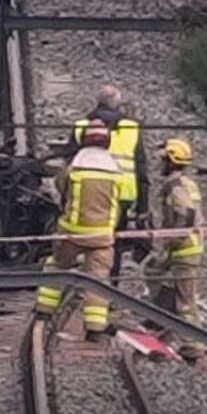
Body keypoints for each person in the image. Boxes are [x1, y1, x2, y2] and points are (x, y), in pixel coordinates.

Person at [35, 122, 132, 341]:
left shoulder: (74, 168)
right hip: (101, 235)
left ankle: (44, 310)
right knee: (98, 280)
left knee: (57, 266)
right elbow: (123, 199)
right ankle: (95, 328)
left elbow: (61, 188)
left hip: (72, 231)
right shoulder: (116, 171)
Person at [72, 85, 150, 273]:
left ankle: (86, 277)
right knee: (112, 244)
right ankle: (110, 284)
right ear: (117, 104)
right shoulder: (131, 128)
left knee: (84, 238)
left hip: (88, 192)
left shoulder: (82, 126)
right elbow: (141, 170)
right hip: (123, 196)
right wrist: (142, 208)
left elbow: (70, 164)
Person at [146, 138, 207, 361]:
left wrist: (173, 239)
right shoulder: (187, 183)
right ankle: (163, 326)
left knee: (185, 300)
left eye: (163, 159)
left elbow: (186, 212)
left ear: (171, 161)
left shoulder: (176, 186)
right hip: (185, 249)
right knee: (152, 272)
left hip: (184, 251)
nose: (159, 163)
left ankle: (194, 345)